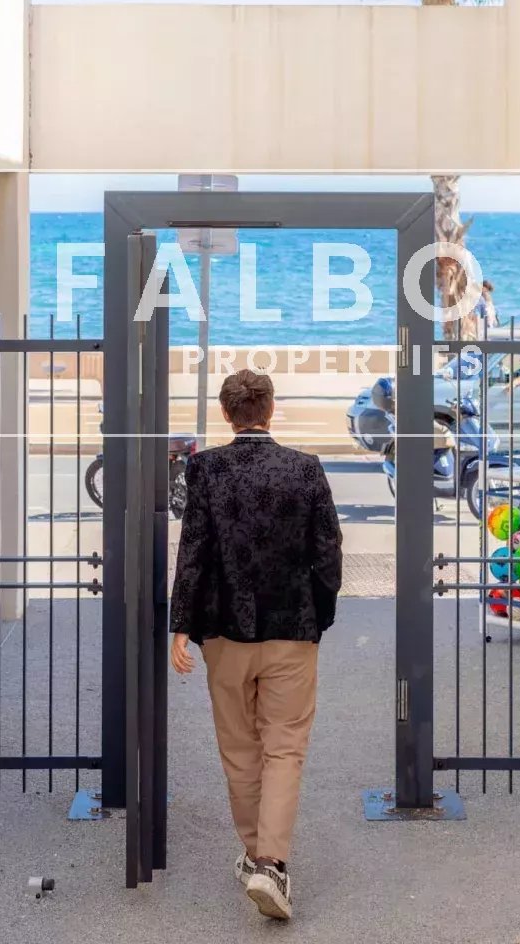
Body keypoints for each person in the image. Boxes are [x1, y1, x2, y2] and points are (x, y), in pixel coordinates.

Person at [168, 368, 342, 921]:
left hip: (225, 634)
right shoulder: (306, 468)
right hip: (293, 630)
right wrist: (318, 615)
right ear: (270, 409)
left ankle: (255, 855)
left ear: (226, 414)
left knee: (240, 749)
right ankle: (271, 863)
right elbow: (328, 553)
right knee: (285, 747)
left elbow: (193, 552)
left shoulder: (205, 469)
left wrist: (181, 626)